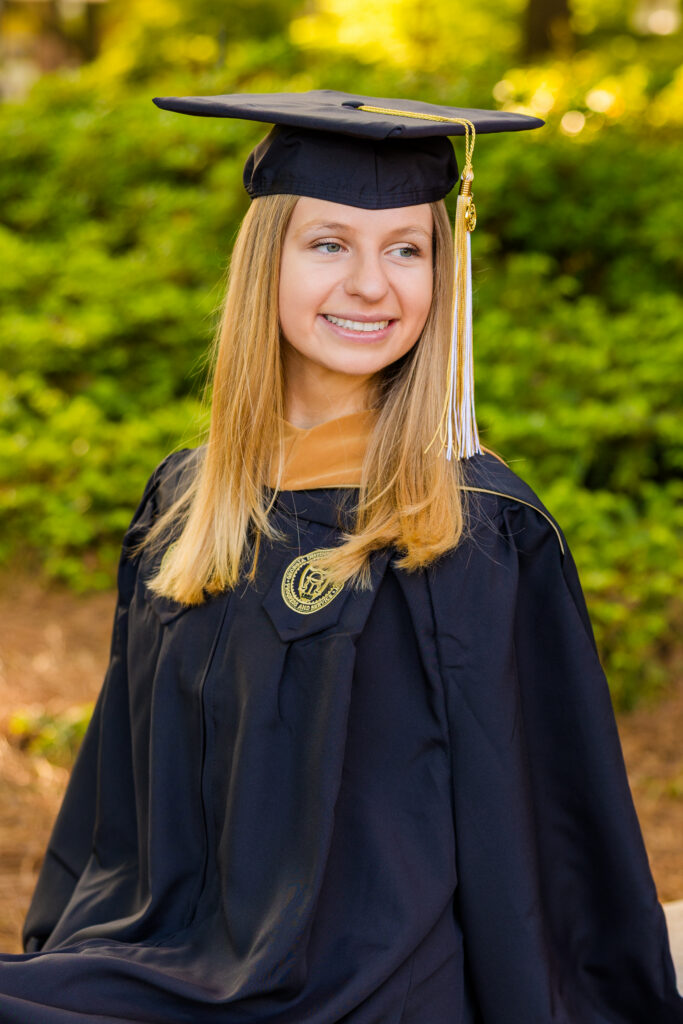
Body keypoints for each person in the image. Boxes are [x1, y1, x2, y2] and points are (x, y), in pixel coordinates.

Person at [0, 90, 681, 1023]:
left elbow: (544, 820)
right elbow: (117, 802)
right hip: (173, 964)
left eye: (406, 248)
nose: (372, 284)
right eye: (330, 244)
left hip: (368, 992)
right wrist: (69, 950)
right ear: (263, 264)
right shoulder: (188, 501)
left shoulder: (474, 528)